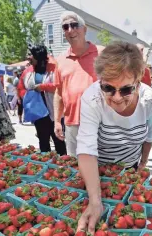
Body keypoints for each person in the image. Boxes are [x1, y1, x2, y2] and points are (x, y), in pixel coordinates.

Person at [76, 42, 152, 233]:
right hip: (98, 172)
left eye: (126, 89)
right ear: (100, 81)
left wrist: (142, 164)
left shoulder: (148, 99)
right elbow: (86, 148)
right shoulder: (92, 98)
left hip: (130, 168)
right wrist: (95, 201)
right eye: (108, 88)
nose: (117, 97)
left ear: (138, 82)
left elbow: (150, 134)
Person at [54, 11, 104, 156]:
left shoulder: (102, 53)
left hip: (101, 122)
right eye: (65, 27)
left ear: (84, 29)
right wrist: (57, 121)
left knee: (105, 169)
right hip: (72, 124)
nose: (70, 30)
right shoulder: (61, 59)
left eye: (75, 25)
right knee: (75, 168)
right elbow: (58, 93)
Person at [18, 45, 67, 155]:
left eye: (30, 54)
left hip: (54, 112)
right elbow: (21, 88)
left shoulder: (55, 68)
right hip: (38, 113)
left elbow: (61, 86)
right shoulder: (28, 71)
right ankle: (47, 164)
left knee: (59, 140)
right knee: (43, 140)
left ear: (38, 56)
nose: (28, 57)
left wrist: (44, 87)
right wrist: (27, 98)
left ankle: (63, 164)